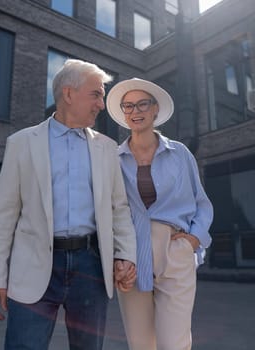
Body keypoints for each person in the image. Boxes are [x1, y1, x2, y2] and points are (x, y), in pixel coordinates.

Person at [0, 59, 137, 350]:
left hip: (90, 267)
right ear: (68, 93)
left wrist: (125, 254)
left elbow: (119, 209)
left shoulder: (107, 149)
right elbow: (2, 214)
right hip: (34, 265)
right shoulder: (22, 143)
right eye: (96, 94)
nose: (101, 104)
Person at [106, 78, 214, 350]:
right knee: (140, 344)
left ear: (155, 110)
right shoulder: (112, 159)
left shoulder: (180, 153)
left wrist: (194, 239)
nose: (135, 110)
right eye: (128, 106)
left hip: (174, 249)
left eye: (142, 103)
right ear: (123, 113)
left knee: (174, 343)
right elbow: (106, 211)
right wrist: (116, 255)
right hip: (130, 254)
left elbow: (202, 203)